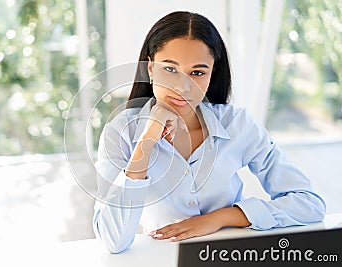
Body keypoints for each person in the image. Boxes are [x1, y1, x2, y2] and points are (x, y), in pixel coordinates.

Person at [92, 11, 326, 254]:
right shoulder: (120, 132)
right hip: (163, 258)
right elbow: (114, 240)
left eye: (197, 72)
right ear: (150, 67)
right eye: (170, 69)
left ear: (212, 74)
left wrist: (223, 217)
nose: (183, 86)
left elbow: (308, 203)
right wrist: (146, 142)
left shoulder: (237, 124)